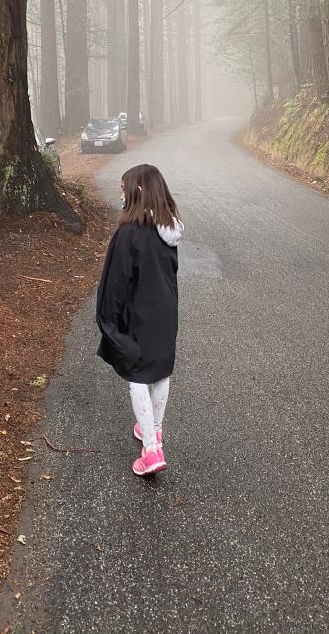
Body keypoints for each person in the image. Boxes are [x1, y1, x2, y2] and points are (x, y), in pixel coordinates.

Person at [96, 163, 184, 477]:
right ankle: (154, 430)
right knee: (160, 372)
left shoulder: (129, 233)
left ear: (137, 192)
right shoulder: (169, 229)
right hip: (165, 313)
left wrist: (110, 320)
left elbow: (117, 282)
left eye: (123, 189)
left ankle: (151, 450)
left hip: (139, 314)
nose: (120, 195)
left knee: (138, 376)